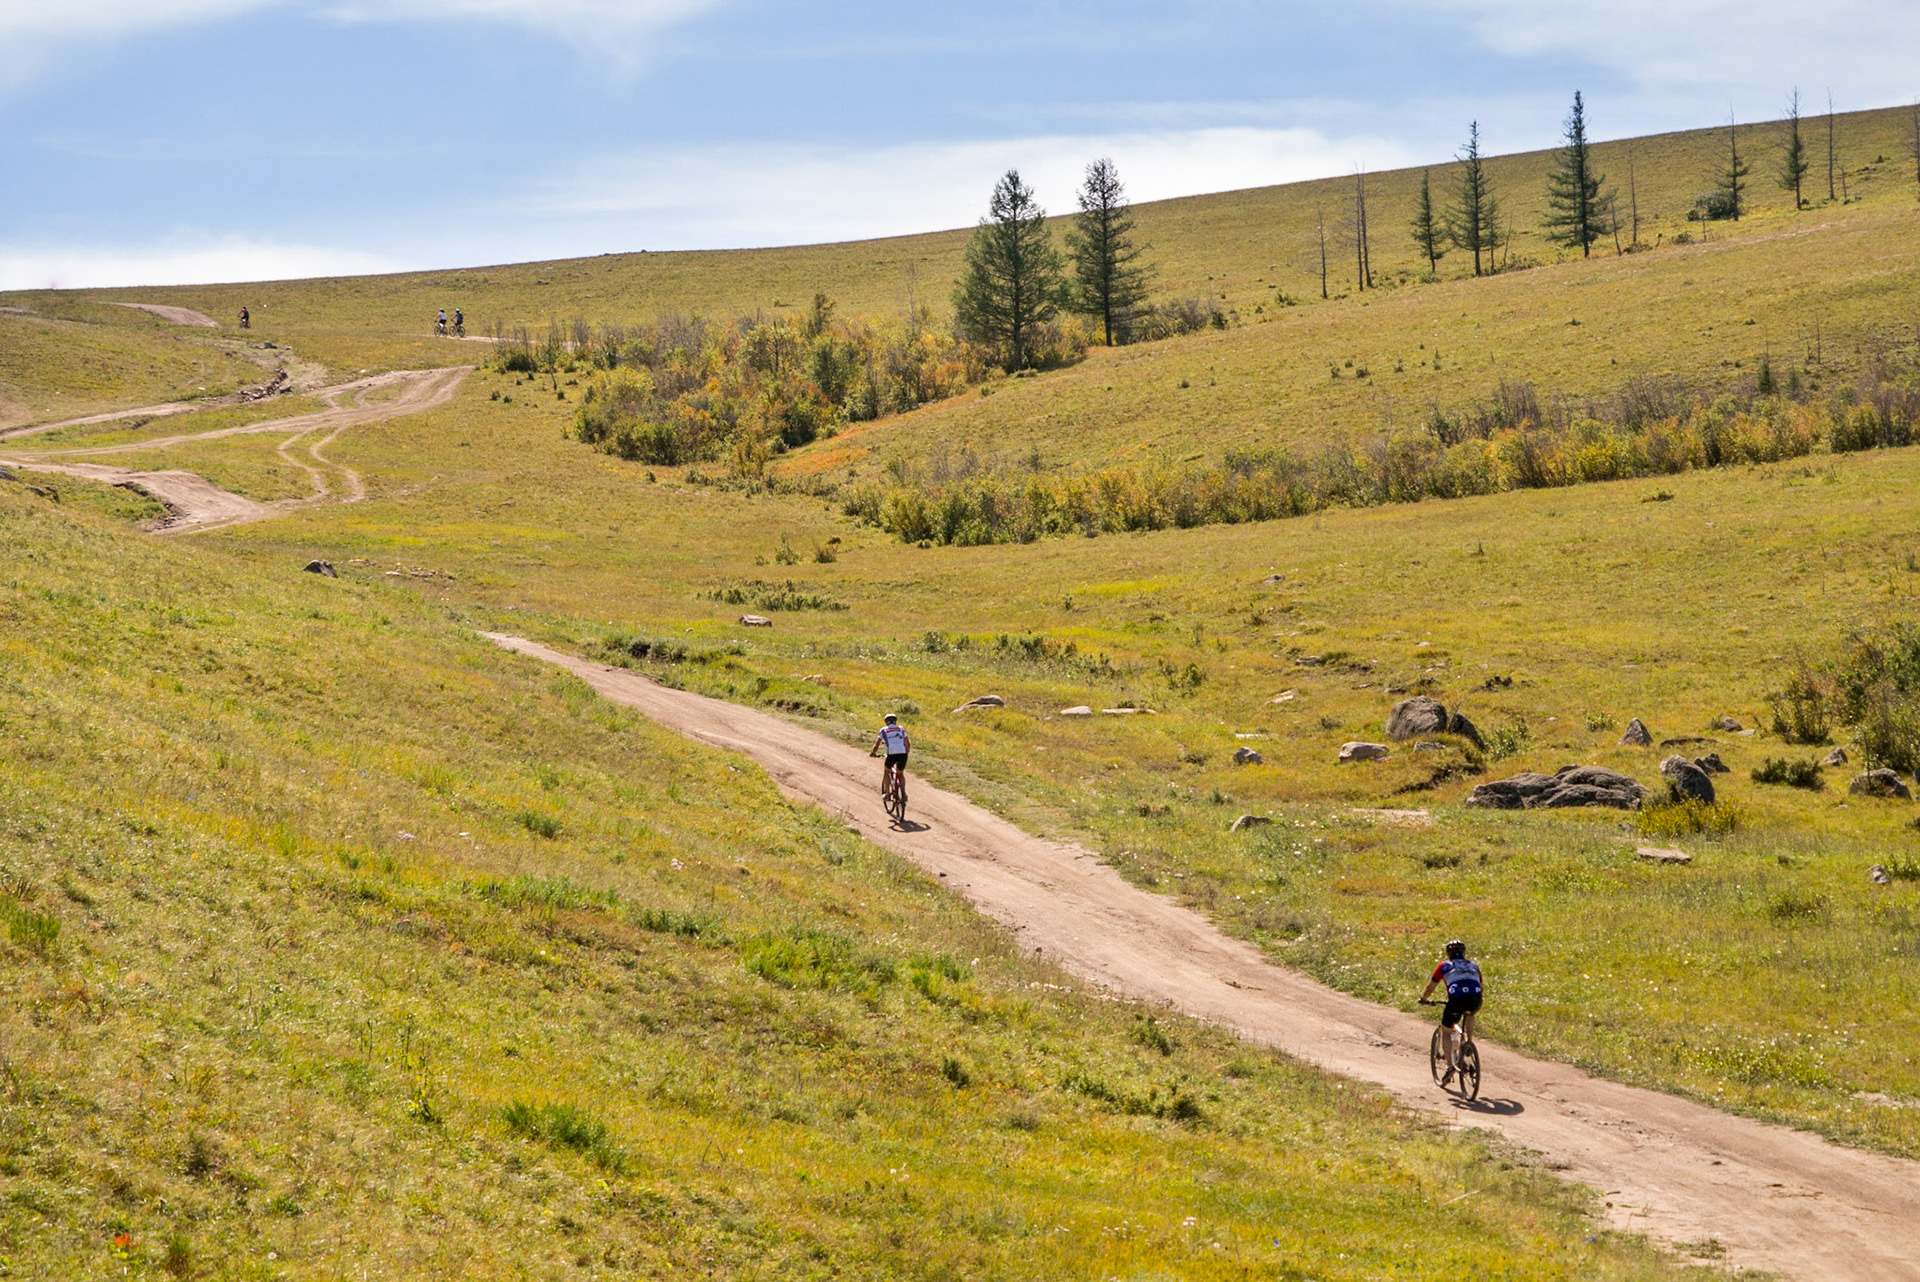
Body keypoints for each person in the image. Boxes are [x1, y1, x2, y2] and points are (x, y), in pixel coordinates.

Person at [1420, 939, 1483, 1086]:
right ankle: (1468, 1043)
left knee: (1446, 1030)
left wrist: (1423, 999)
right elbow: (1480, 985)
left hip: (1456, 1001)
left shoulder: (1444, 966)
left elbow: (1431, 987)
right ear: (1463, 953)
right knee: (1470, 1013)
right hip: (1476, 999)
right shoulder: (1473, 965)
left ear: (1448, 953)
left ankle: (1450, 1066)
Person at [868, 713, 910, 797]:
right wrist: (906, 751)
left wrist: (873, 753)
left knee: (886, 772)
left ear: (886, 722)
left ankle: (887, 794)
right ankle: (904, 794)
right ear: (895, 722)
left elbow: (877, 744)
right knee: (900, 774)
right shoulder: (901, 729)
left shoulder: (883, 730)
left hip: (891, 753)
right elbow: (907, 742)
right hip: (903, 753)